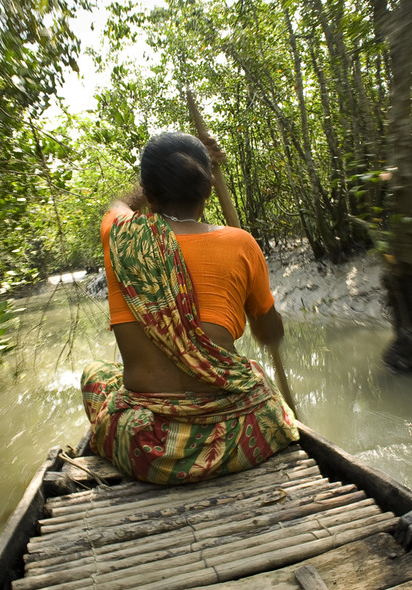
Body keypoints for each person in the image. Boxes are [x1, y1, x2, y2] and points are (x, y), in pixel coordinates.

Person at [80, 132, 298, 485]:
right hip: (235, 437)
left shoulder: (120, 235)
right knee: (255, 374)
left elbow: (118, 207)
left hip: (147, 450)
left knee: (95, 372)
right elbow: (268, 333)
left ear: (148, 194)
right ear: (209, 188)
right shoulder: (241, 242)